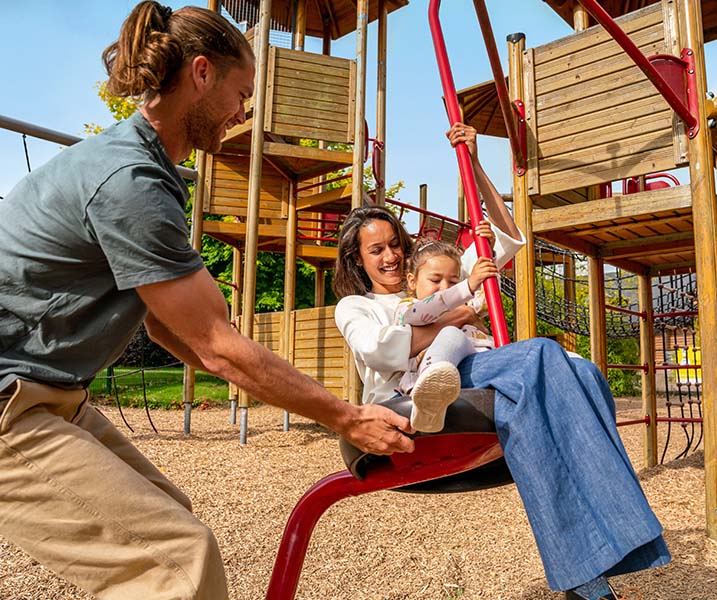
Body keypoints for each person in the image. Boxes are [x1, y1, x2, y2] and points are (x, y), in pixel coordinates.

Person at [0, 2, 413, 599]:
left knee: (171, 513)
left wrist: (271, 379)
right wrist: (346, 416)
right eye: (241, 92)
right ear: (201, 74)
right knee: (176, 565)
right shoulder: (129, 182)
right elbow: (216, 346)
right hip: (9, 402)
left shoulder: (143, 169)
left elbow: (174, 331)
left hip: (50, 393)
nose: (244, 111)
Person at [333, 123, 671, 600]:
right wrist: (452, 315)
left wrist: (473, 163)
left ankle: (587, 579)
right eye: (376, 250)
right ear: (358, 259)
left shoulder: (436, 277)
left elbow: (507, 239)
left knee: (585, 372)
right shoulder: (357, 306)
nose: (389, 255)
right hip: (410, 396)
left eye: (394, 245)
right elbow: (380, 349)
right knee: (541, 353)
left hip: (469, 376)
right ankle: (620, 526)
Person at [394, 236, 498, 432]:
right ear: (412, 280)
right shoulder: (408, 307)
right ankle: (430, 393)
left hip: (481, 360)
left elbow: (487, 298)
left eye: (453, 281)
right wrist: (466, 287)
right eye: (435, 280)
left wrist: (488, 256)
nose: (445, 287)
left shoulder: (466, 304)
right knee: (451, 334)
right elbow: (425, 312)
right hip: (442, 372)